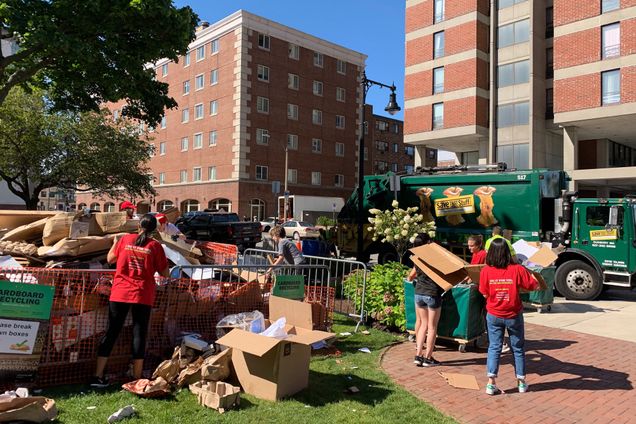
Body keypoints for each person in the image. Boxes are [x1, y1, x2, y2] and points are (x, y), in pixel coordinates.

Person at [91, 214, 169, 388]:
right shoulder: (155, 246)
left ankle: (97, 376)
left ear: (138, 226)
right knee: (139, 333)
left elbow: (111, 259)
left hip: (120, 292)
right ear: (154, 229)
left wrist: (114, 244)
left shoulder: (125, 239)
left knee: (112, 331)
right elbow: (165, 274)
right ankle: (136, 378)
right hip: (142, 294)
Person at [479, 237, 543, 395]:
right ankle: (521, 382)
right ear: (508, 252)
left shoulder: (486, 270)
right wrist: (535, 278)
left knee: (494, 347)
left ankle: (491, 383)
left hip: (493, 314)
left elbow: (484, 292)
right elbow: (532, 285)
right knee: (518, 348)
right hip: (513, 314)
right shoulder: (517, 269)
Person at [406, 233, 444, 367]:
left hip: (419, 293)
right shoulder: (434, 257)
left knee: (422, 325)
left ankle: (418, 355)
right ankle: (428, 358)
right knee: (432, 327)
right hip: (432, 293)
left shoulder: (417, 257)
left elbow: (411, 275)